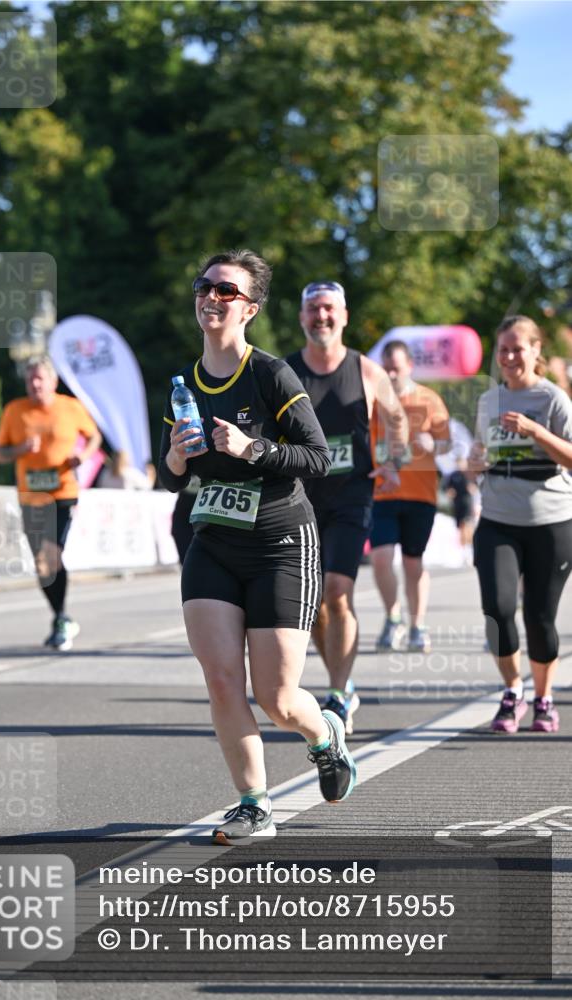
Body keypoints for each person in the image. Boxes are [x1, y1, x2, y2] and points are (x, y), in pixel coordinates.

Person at [158, 249, 356, 844]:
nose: (212, 298)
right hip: (213, 539)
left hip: (280, 542)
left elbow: (318, 458)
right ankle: (253, 804)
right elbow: (172, 474)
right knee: (221, 680)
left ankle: (322, 732)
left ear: (250, 309)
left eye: (227, 291)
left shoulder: (272, 375)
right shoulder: (183, 383)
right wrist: (174, 457)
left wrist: (254, 449)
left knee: (276, 698)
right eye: (205, 287)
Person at [286, 281, 408, 733]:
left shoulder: (366, 370)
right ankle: (344, 681)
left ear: (344, 316)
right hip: (299, 497)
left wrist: (394, 460)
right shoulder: (285, 371)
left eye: (329, 309)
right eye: (314, 309)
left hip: (352, 494)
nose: (322, 317)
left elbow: (396, 417)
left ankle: (337, 694)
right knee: (314, 603)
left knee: (338, 590)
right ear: (302, 318)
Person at [470, 315, 572, 734]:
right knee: (497, 609)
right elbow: (483, 455)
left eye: (518, 348)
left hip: (551, 522)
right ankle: (513, 691)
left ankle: (544, 698)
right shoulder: (488, 402)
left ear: (535, 351)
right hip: (498, 521)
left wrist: (534, 430)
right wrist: (475, 463)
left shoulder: (554, 400)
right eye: (503, 349)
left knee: (540, 617)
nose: (510, 356)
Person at [0, 356, 101, 651]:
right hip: (30, 495)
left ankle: (62, 618)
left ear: (53, 381)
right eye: (30, 380)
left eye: (40, 379)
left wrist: (83, 455)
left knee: (51, 555)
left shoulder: (70, 407)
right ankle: (60, 616)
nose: (35, 384)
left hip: (63, 492)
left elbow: (94, 437)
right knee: (42, 563)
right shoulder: (15, 410)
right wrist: (20, 449)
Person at [370, 340, 451, 652]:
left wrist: (434, 443)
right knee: (380, 559)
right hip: (382, 492)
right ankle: (393, 617)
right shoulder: (374, 399)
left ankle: (417, 624)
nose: (391, 373)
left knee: (412, 563)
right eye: (386, 368)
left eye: (397, 368)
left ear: (410, 367)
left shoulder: (428, 399)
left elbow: (447, 443)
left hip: (420, 494)